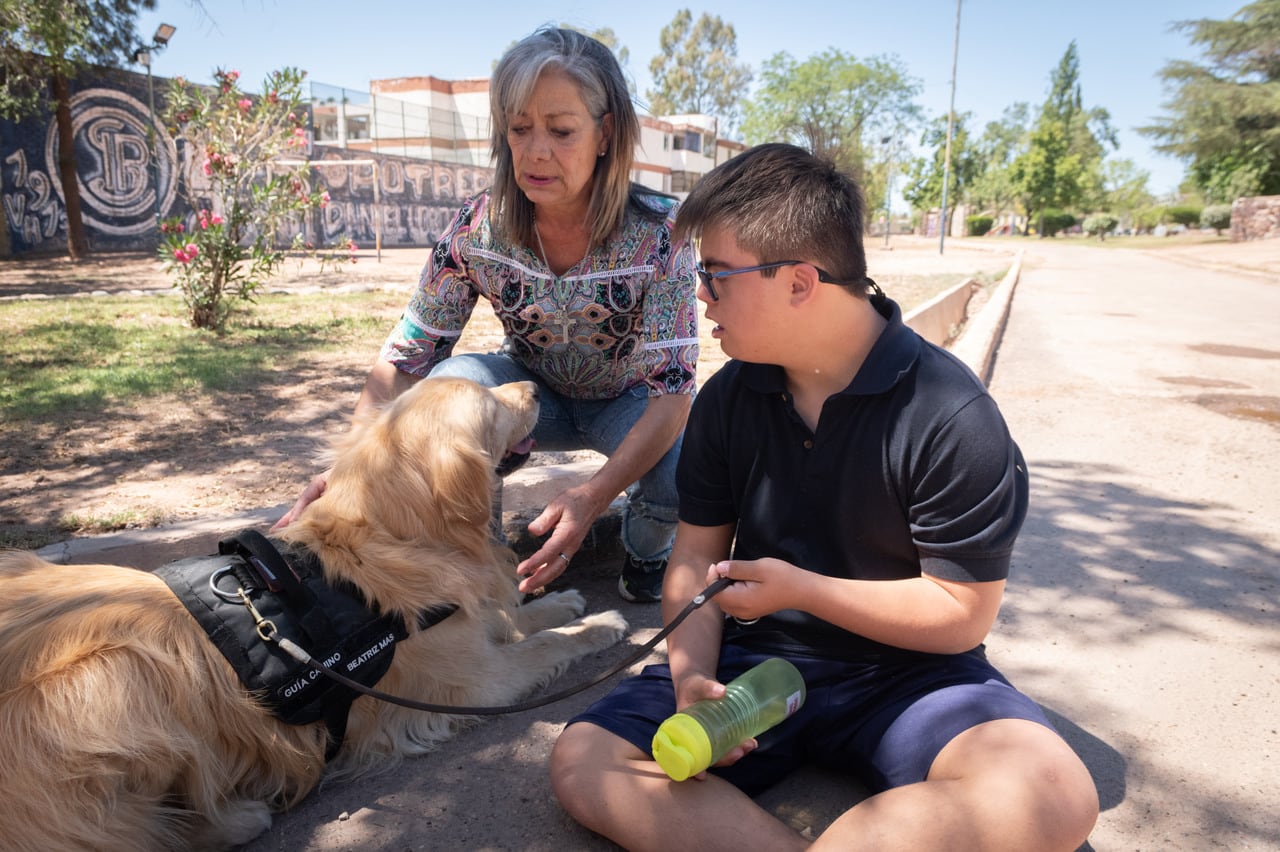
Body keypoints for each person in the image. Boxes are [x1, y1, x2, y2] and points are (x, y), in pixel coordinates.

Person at [549, 144, 1099, 850]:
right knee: (586, 758)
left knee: (1052, 791)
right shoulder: (727, 399)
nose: (700, 295)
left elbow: (961, 613)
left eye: (715, 274)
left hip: (910, 674)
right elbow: (693, 556)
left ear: (800, 282)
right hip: (756, 662)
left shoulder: (950, 414)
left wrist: (801, 590)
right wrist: (692, 680)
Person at [274, 26, 699, 603]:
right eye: (520, 128)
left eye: (561, 130)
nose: (536, 151)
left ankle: (647, 557)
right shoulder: (480, 228)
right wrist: (349, 471)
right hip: (528, 396)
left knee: (685, 466)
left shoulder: (661, 233)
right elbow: (409, 354)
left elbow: (672, 395)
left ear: (607, 134)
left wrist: (592, 496)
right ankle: (486, 570)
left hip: (627, 400)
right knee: (453, 385)